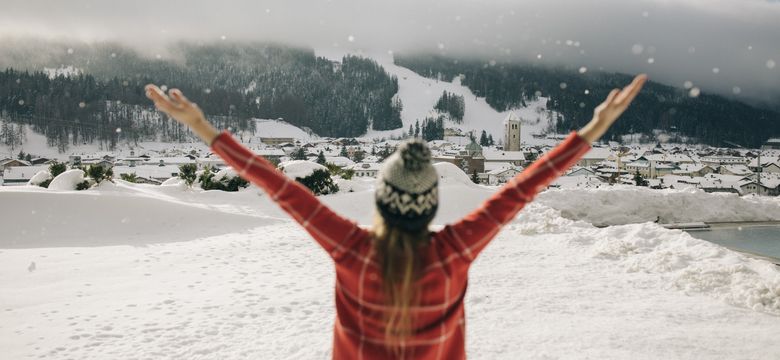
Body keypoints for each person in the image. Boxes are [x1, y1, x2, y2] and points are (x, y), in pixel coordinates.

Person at [145, 74, 646, 359]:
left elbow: (278, 185)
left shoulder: (350, 248)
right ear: (428, 203)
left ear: (382, 199)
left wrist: (204, 128)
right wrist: (593, 128)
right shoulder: (454, 250)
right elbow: (524, 187)